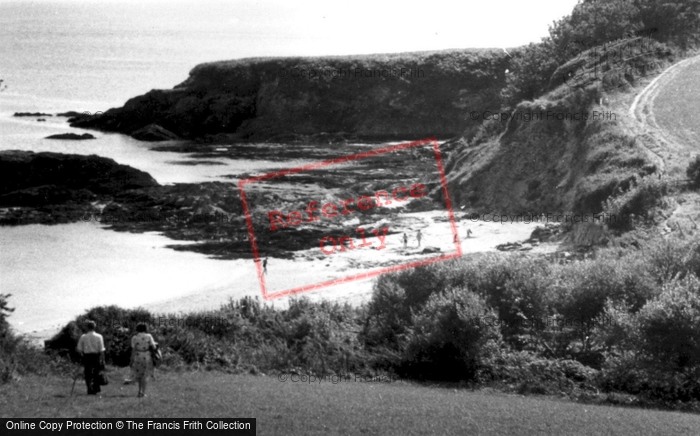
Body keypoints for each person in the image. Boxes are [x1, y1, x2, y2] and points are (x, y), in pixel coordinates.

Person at [76, 320, 105, 396]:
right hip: (96, 356)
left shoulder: (84, 336)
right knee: (96, 372)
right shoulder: (99, 336)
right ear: (94, 327)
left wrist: (82, 355)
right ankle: (95, 388)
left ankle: (89, 389)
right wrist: (103, 359)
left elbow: (79, 348)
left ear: (87, 327)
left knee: (88, 373)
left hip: (87, 356)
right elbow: (101, 349)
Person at [130, 322, 157, 398]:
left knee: (139, 375)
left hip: (138, 356)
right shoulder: (149, 336)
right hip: (146, 356)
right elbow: (154, 347)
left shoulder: (134, 337)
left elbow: (133, 349)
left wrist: (131, 359)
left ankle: (139, 391)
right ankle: (143, 392)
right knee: (145, 375)